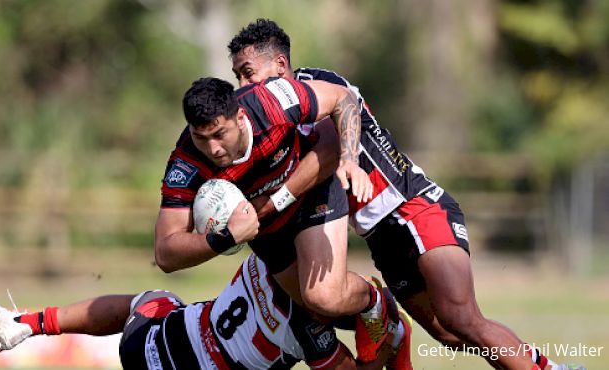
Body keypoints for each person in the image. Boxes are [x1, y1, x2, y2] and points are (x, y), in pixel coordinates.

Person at [226, 19, 586, 370]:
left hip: (414, 207)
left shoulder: (317, 86)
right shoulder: (272, 124)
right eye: (237, 76)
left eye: (247, 72)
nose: (242, 84)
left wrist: (278, 200)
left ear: (281, 64)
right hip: (381, 237)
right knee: (449, 334)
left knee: (461, 318)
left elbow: (330, 146)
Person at [155, 76, 393, 362]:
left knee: (323, 296)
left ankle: (377, 302)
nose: (213, 148)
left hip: (311, 194)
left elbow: (343, 98)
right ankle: (384, 332)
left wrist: (350, 159)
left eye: (220, 134)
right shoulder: (187, 163)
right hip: (267, 231)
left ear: (240, 117)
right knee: (317, 312)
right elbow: (166, 253)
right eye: (201, 138)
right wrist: (226, 237)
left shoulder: (270, 103)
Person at [0, 253, 412, 370]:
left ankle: (28, 324)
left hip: (145, 344)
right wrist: (383, 349)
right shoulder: (310, 329)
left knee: (148, 300)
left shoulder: (268, 259)